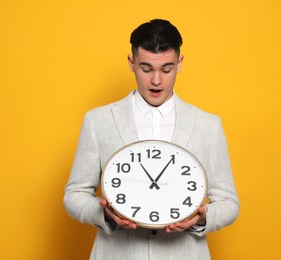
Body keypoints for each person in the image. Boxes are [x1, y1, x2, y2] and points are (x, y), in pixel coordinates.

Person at [64, 19, 239, 260]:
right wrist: (104, 214)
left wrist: (202, 218)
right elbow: (74, 194)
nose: (156, 80)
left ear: (179, 64)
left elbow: (229, 202)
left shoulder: (208, 125)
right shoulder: (99, 120)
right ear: (131, 63)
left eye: (166, 69)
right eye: (146, 69)